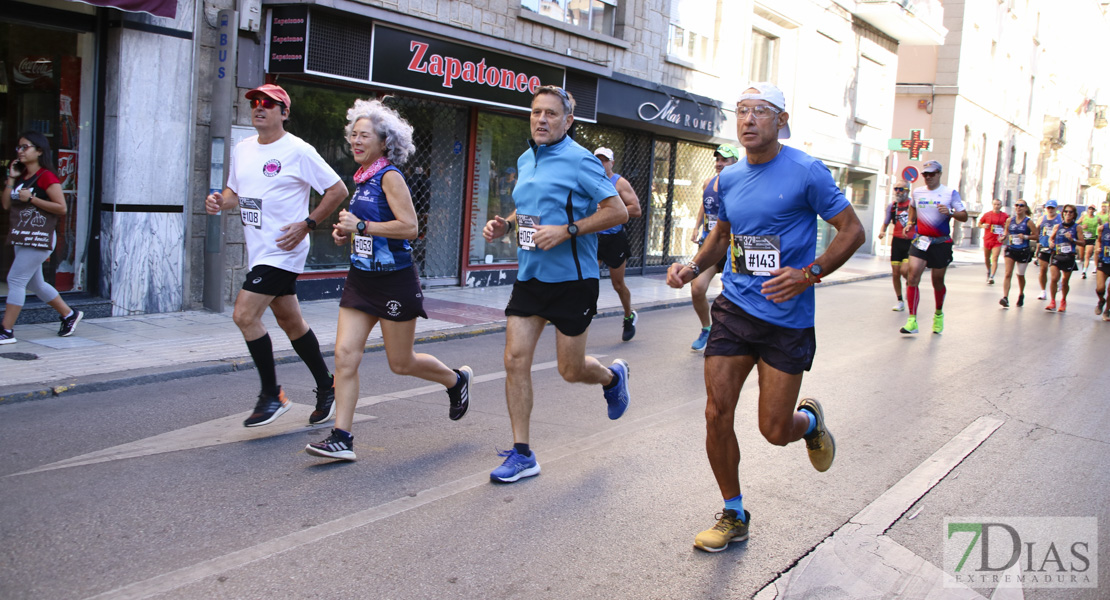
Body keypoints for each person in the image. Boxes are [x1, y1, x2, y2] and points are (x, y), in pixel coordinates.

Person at [666, 83, 864, 553]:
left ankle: (809, 424)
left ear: (781, 120)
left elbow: (852, 230)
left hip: (786, 317)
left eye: (760, 111)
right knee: (716, 412)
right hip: (734, 309)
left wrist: (809, 273)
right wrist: (693, 266)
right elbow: (722, 234)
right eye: (742, 111)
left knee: (774, 431)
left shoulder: (806, 171)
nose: (749, 119)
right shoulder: (728, 179)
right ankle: (733, 512)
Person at [305, 99, 473, 461]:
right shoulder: (362, 177)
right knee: (344, 356)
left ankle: (456, 381)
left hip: (395, 280)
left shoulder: (389, 176)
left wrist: (362, 225)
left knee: (401, 362)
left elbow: (410, 228)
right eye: (353, 135)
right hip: (361, 280)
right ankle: (342, 437)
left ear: (384, 142)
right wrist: (346, 234)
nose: (356, 141)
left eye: (364, 135)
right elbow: (365, 230)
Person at [480, 85, 630, 484]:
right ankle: (522, 453)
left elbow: (617, 212)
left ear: (568, 121)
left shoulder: (582, 162)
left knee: (571, 369)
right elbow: (529, 206)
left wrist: (569, 230)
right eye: (535, 113)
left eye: (549, 113)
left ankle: (612, 377)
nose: (541, 119)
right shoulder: (527, 158)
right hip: (530, 277)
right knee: (514, 359)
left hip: (573, 281)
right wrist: (506, 224)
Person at [205, 84, 348, 427]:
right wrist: (218, 201)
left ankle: (273, 394)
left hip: (284, 249)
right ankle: (328, 387)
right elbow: (234, 193)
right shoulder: (242, 150)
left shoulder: (298, 150)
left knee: (244, 314)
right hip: (260, 250)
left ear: (284, 113)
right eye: (255, 102)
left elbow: (337, 189)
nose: (259, 107)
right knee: (290, 321)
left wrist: (308, 223)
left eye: (269, 103)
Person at [1, 131, 83, 344]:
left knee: (15, 280)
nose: (20, 151)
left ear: (39, 151)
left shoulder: (47, 176)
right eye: (18, 147)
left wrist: (33, 199)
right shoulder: (22, 177)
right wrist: (11, 178)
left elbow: (61, 208)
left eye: (25, 147)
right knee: (36, 284)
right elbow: (6, 204)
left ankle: (6, 331)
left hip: (39, 237)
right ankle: (69, 314)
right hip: (23, 236)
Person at [900, 160, 969, 334]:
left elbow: (965, 216)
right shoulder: (918, 192)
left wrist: (950, 212)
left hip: (941, 242)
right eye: (925, 174)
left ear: (939, 174)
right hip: (921, 240)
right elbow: (912, 208)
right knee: (912, 274)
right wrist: (910, 222)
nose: (928, 177)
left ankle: (938, 314)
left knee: (937, 281)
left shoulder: (950, 193)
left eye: (932, 174)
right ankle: (912, 320)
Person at [688, 144, 740, 350]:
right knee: (697, 288)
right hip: (709, 244)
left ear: (735, 162)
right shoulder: (708, 182)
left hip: (732, 247)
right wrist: (696, 227)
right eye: (717, 160)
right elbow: (704, 204)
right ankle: (706, 329)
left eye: (724, 160)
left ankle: (728, 332)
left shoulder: (742, 184)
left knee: (729, 294)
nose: (719, 164)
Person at [593, 146, 643, 341]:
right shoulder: (590, 180)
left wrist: (613, 210)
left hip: (614, 239)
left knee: (618, 284)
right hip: (594, 237)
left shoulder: (620, 183)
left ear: (611, 163)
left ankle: (629, 315)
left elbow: (636, 209)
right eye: (597, 159)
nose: (601, 163)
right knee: (587, 277)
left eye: (605, 160)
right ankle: (582, 312)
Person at [877, 181, 913, 311]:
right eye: (896, 189)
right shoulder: (892, 206)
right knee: (896, 273)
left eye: (901, 189)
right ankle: (900, 300)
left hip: (910, 242)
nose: (898, 191)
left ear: (907, 191)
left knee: (904, 270)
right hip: (897, 242)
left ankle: (911, 285)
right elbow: (886, 222)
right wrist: (882, 231)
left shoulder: (912, 205)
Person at [998, 200, 1038, 308]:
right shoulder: (1009, 220)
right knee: (1007, 273)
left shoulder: (1028, 222)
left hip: (1023, 250)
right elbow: (1006, 232)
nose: (1019, 207)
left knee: (1020, 275)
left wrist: (1025, 237)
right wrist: (1003, 237)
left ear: (1025, 208)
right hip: (1011, 249)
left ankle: (1021, 293)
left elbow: (1036, 236)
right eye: (1017, 205)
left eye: (1021, 206)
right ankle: (1005, 297)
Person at [1045, 204, 1083, 312]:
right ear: (1063, 214)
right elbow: (1051, 239)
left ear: (1074, 214)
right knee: (1054, 278)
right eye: (1066, 212)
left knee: (1065, 281)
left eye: (1070, 212)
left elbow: (1083, 243)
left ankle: (1063, 300)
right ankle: (1052, 301)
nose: (1068, 214)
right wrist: (1050, 243)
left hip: (1069, 256)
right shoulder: (1057, 227)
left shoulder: (1077, 227)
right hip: (1057, 255)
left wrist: (1073, 240)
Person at [1034, 200, 1061, 301]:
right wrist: (1037, 245)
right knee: (1043, 269)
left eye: (1052, 208)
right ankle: (1043, 291)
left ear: (1056, 209)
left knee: (1055, 270)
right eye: (1048, 208)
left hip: (1056, 247)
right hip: (1044, 246)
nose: (1050, 210)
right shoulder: (1042, 218)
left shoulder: (1060, 219)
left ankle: (1058, 281)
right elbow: (1037, 232)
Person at [977, 198, 1008, 284]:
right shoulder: (987, 215)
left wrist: (1004, 235)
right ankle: (989, 270)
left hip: (998, 240)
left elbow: (1007, 226)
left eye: (998, 204)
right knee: (987, 258)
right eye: (995, 204)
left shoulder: (1005, 216)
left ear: (1001, 206)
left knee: (995, 258)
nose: (997, 206)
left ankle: (992, 276)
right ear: (992, 205)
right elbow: (979, 223)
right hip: (987, 239)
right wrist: (983, 226)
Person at [1078, 204, 1100, 279]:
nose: (1091, 210)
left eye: (1092, 209)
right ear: (1088, 209)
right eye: (1090, 208)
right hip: (1083, 239)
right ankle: (1083, 267)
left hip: (1091, 239)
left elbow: (1102, 226)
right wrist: (1082, 227)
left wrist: (1099, 233)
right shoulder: (1084, 217)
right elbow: (1075, 225)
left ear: (1094, 210)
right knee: (1082, 257)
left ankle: (1084, 271)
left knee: (1087, 255)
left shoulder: (1097, 218)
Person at [1095, 217, 1110, 321]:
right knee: (1100, 288)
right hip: (1103, 260)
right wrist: (1097, 248)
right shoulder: (1102, 228)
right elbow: (1098, 240)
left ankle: (1107, 311)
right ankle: (1101, 300)